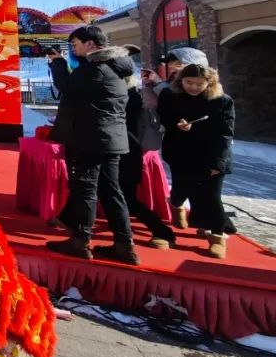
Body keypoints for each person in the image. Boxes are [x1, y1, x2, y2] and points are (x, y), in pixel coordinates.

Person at [45, 26, 138, 264]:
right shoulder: (115, 67)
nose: (73, 49)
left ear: (90, 44)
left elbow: (67, 87)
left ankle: (81, 241)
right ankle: (124, 244)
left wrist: (57, 64)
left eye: (75, 44)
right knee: (111, 191)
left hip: (89, 139)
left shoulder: (96, 68)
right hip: (110, 138)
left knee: (85, 189)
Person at [158, 65, 235, 258]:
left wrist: (218, 163)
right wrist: (176, 123)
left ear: (210, 83)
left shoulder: (222, 100)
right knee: (181, 189)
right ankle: (176, 205)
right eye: (189, 82)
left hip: (211, 154)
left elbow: (225, 133)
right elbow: (164, 116)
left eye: (200, 84)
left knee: (212, 197)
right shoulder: (170, 96)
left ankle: (217, 236)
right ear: (180, 81)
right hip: (181, 153)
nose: (193, 87)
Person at [122, 67, 177, 248]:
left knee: (127, 198)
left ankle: (161, 231)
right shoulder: (132, 94)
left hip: (125, 153)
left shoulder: (129, 97)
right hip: (128, 151)